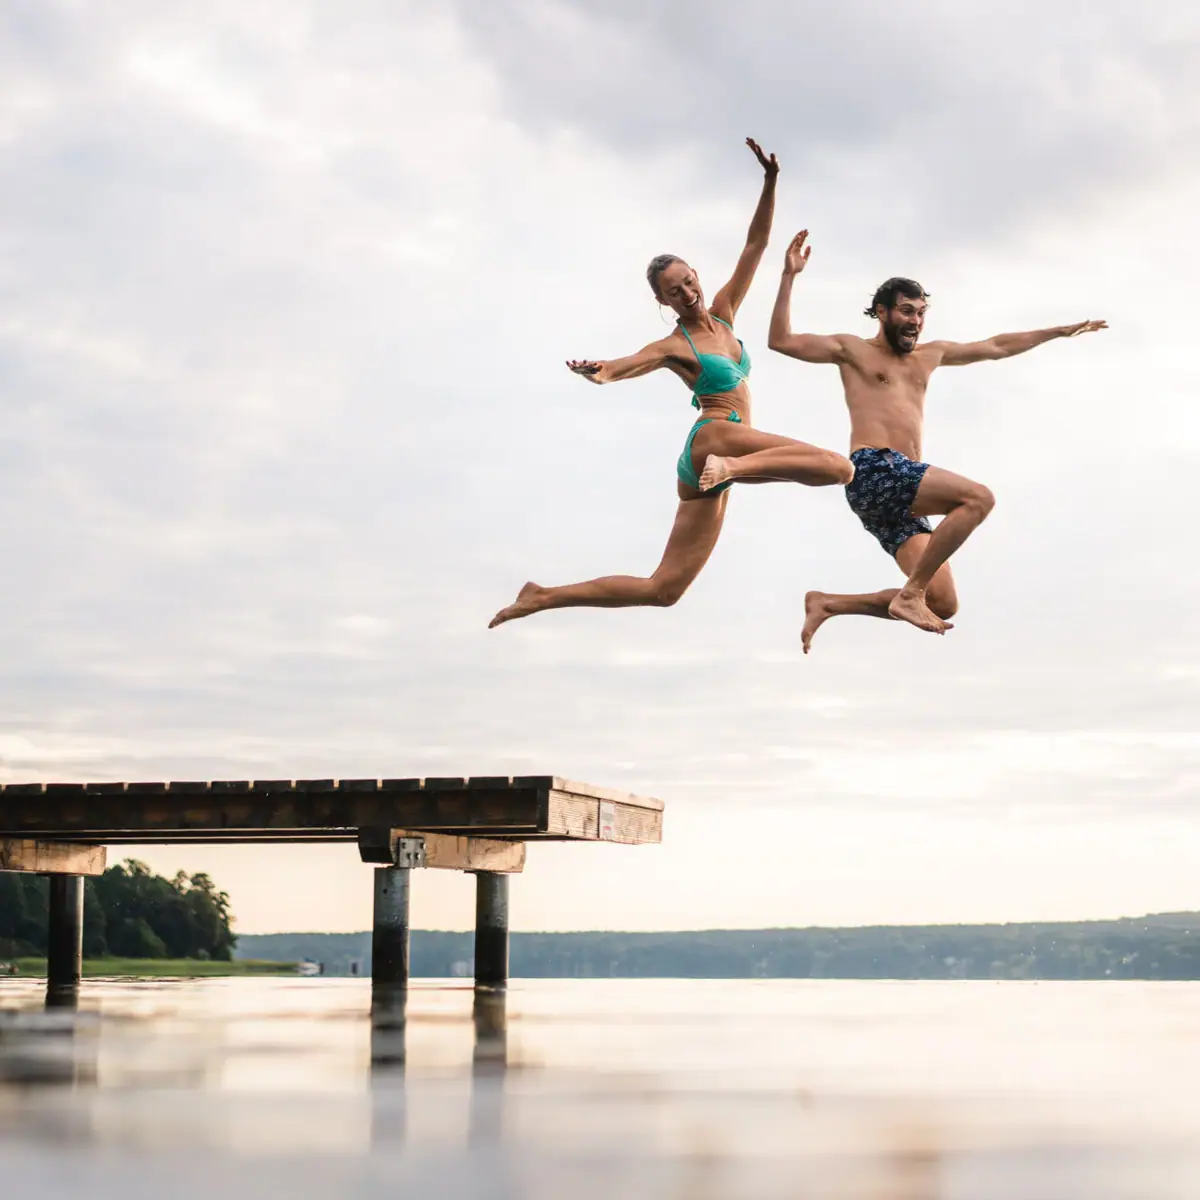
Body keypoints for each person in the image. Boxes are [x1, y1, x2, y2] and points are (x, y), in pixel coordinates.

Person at [488, 143, 853, 629]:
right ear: (662, 300)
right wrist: (598, 369)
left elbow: (754, 247)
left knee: (664, 590)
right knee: (838, 467)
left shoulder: (724, 313)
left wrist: (769, 182)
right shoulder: (673, 344)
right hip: (716, 438)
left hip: (709, 460)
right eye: (673, 291)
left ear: (696, 275)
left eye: (688, 281)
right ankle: (732, 467)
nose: (686, 292)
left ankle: (542, 596)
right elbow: (624, 366)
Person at [766, 230, 1107, 652]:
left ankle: (828, 603)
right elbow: (780, 341)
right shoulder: (851, 350)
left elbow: (997, 346)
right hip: (874, 470)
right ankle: (908, 596)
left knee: (943, 603)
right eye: (906, 311)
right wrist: (788, 276)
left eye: (921, 313)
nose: (915, 321)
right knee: (977, 499)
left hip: (902, 495)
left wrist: (1056, 331)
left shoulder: (932, 354)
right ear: (881, 312)